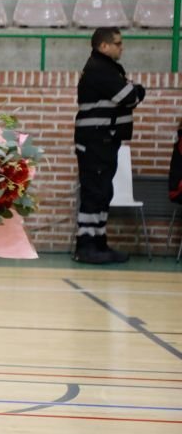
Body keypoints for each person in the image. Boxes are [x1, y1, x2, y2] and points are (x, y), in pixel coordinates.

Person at [73, 27, 146, 264]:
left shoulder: (106, 68)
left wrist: (132, 90)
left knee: (103, 193)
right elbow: (130, 97)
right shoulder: (100, 69)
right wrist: (137, 89)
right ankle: (86, 246)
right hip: (96, 141)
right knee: (94, 193)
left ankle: (99, 243)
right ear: (104, 46)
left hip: (103, 141)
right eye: (118, 43)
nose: (121, 47)